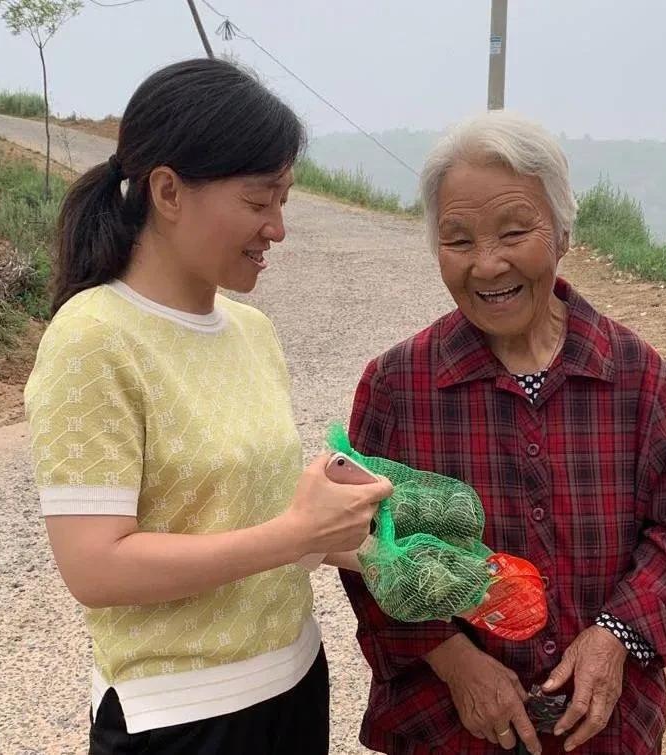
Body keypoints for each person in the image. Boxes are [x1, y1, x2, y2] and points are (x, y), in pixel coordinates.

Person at [23, 58, 391, 754]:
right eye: (260, 201)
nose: (277, 227)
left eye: (284, 199)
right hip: (179, 718)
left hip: (295, 682)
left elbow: (259, 512)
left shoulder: (252, 330)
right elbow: (95, 566)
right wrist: (296, 534)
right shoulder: (94, 337)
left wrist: (379, 539)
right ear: (168, 190)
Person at [339, 111, 666, 754]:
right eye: (458, 240)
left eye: (515, 231)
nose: (487, 265)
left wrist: (615, 638)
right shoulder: (397, 385)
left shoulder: (637, 376)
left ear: (563, 232)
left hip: (602, 728)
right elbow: (359, 544)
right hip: (447, 726)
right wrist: (449, 657)